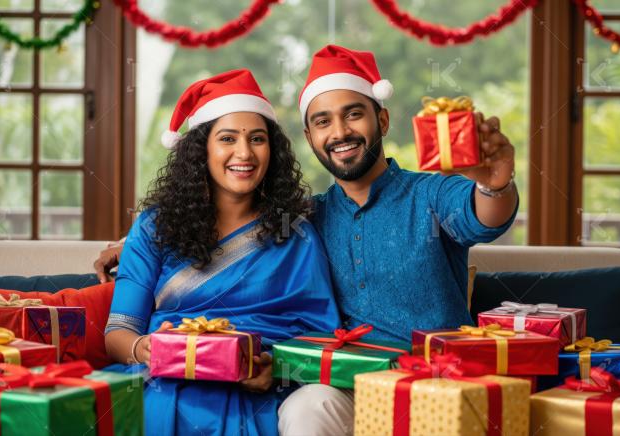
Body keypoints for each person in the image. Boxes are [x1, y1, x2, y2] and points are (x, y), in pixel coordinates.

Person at [95, 46, 519, 436]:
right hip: (342, 388)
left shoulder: (427, 196)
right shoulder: (309, 215)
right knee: (307, 408)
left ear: (382, 121)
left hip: (433, 382)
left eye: (354, 114)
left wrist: (495, 184)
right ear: (311, 136)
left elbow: (482, 217)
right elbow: (204, 234)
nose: (340, 131)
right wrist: (134, 242)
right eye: (323, 121)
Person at [101, 69, 340, 436]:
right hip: (162, 382)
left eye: (257, 139)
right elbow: (119, 330)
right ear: (202, 150)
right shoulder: (153, 227)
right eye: (227, 138)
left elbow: (320, 335)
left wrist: (272, 368)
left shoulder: (296, 233)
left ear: (271, 151)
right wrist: (143, 349)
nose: (244, 153)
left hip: (257, 392)